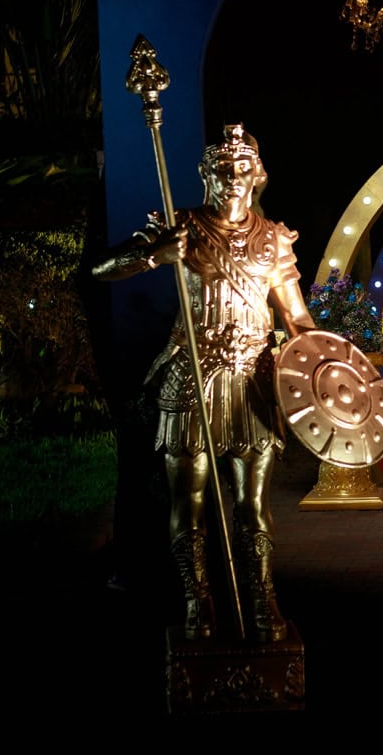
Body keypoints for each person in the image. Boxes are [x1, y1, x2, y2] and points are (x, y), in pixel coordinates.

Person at [92, 123, 316, 642]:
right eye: (223, 167)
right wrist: (153, 255)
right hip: (192, 376)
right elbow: (103, 269)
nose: (234, 176)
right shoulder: (184, 225)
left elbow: (297, 318)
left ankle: (262, 596)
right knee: (187, 502)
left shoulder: (274, 239)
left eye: (243, 167)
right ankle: (197, 599)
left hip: (253, 379)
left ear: (257, 175)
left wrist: (323, 360)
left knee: (253, 504)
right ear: (207, 175)